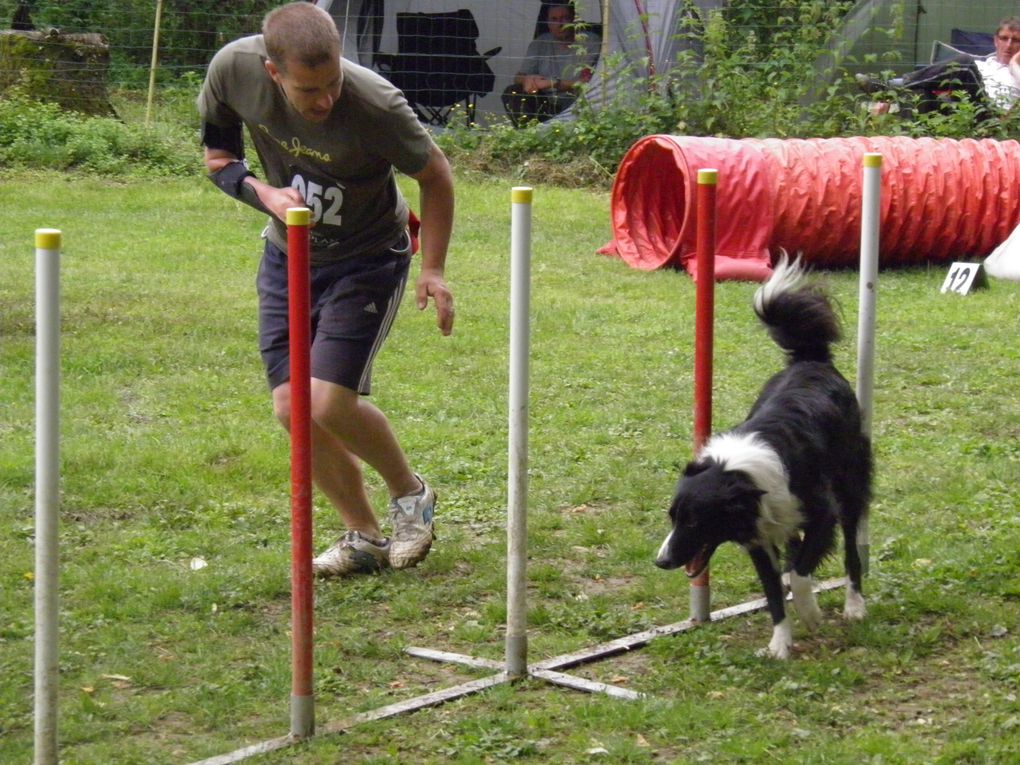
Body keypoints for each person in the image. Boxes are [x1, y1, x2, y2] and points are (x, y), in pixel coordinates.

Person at [196, 2, 455, 578]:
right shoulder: (231, 71)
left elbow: (435, 175)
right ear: (272, 72)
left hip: (368, 257)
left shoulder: (376, 103)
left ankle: (411, 497)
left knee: (330, 401)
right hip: (288, 255)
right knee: (293, 408)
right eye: (309, 89)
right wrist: (263, 193)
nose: (325, 100)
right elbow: (219, 159)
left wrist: (432, 269)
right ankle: (363, 536)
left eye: (332, 81)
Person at [857, 16, 1020, 117]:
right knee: (923, 94)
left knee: (964, 62)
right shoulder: (980, 65)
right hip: (965, 109)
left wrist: (1014, 64)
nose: (1009, 45)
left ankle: (891, 87)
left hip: (994, 118)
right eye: (1004, 38)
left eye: (1016, 40)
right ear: (995, 41)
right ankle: (892, 100)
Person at [502, 2, 601, 126]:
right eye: (554, 19)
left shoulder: (589, 41)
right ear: (547, 23)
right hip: (545, 102)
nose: (560, 24)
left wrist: (552, 83)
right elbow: (518, 77)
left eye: (564, 18)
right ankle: (529, 135)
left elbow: (588, 82)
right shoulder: (539, 43)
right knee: (512, 92)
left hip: (576, 101)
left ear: (574, 20)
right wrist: (527, 79)